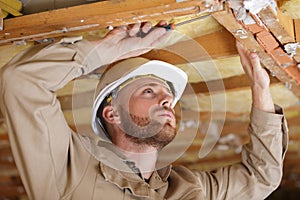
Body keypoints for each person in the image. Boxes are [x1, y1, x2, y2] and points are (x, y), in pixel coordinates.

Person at [0, 21, 288, 200]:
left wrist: (260, 89)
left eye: (168, 96)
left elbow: (261, 180)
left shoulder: (190, 188)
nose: (166, 101)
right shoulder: (71, 172)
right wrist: (107, 49)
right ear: (112, 114)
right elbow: (21, 82)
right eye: (149, 91)